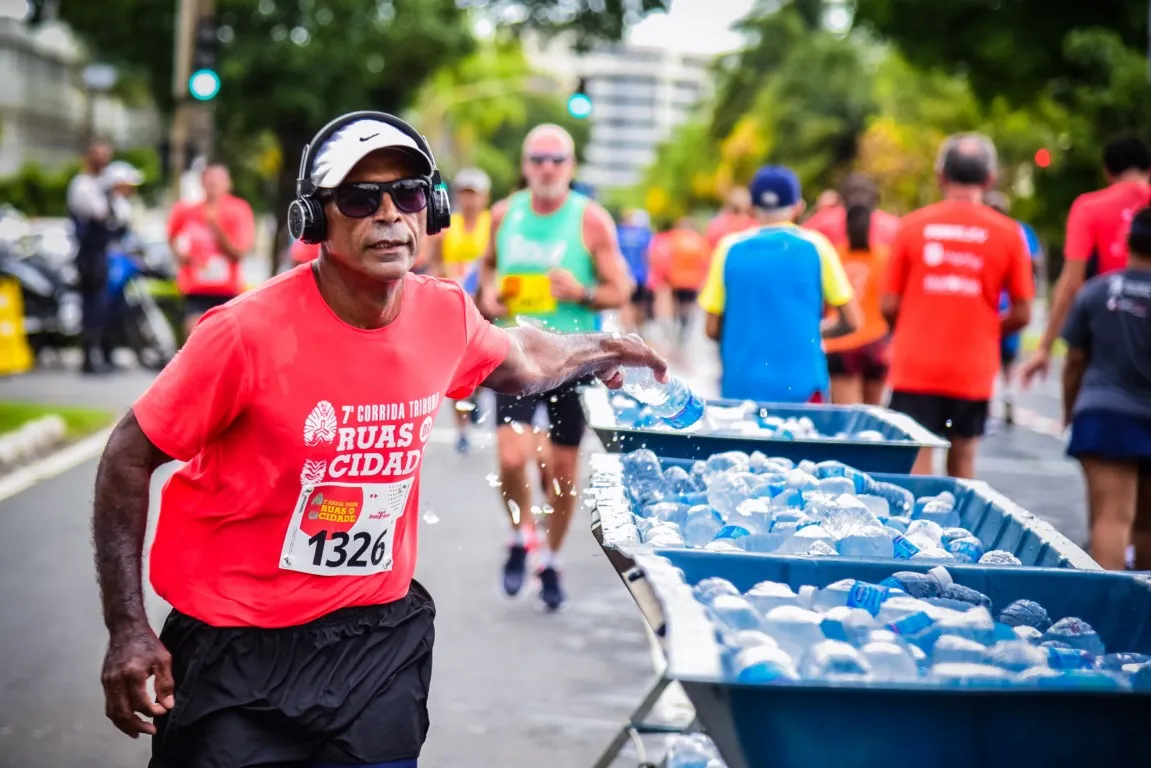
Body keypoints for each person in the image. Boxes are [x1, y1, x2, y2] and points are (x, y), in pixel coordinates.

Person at [91, 110, 665, 765]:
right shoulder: (242, 335)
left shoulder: (441, 312)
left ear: (432, 210)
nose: (390, 213)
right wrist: (127, 626)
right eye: (361, 198)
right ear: (315, 220)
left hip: (375, 643)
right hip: (236, 649)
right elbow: (127, 456)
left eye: (410, 193)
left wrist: (600, 346)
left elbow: (525, 356)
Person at [479, 123, 633, 610]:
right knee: (509, 456)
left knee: (562, 471)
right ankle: (521, 536)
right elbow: (485, 270)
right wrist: (487, 294)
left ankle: (549, 555)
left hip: (572, 358)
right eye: (539, 159)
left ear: (570, 166)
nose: (547, 168)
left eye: (557, 159)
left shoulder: (591, 221)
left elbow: (621, 290)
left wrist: (583, 293)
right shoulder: (504, 214)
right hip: (514, 352)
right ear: (525, 166)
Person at [882, 134, 1034, 478]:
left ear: (941, 176)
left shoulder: (912, 226)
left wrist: (917, 323)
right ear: (990, 179)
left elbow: (889, 304)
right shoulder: (1009, 233)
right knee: (963, 467)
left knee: (915, 466)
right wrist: (985, 328)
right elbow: (1023, 312)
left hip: (915, 366)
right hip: (972, 369)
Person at [698, 165, 862, 402]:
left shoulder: (728, 248)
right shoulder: (817, 246)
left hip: (742, 387)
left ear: (751, 208)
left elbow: (711, 328)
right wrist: (804, 330)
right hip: (804, 388)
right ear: (799, 207)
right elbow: (853, 321)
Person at [1020, 136, 1151, 387]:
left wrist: (1045, 347)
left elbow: (1071, 283)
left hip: (1106, 330)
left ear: (1107, 172)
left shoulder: (1089, 207)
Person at [1061, 207, 1151, 571]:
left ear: (1128, 242)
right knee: (1146, 525)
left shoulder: (1097, 291)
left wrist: (1070, 410)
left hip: (1104, 415)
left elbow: (1074, 362)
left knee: (1111, 520)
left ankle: (1109, 618)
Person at [425, 168, 493, 453]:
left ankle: (477, 396)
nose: (468, 200)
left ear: (484, 198)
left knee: (486, 365)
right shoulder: (446, 227)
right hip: (457, 310)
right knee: (459, 370)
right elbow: (435, 264)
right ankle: (462, 427)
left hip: (487, 308)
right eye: (464, 193)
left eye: (474, 194)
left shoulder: (493, 225)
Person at [819, 176, 895, 405]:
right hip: (877, 343)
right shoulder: (885, 255)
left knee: (846, 426)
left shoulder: (832, 255)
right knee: (872, 423)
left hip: (840, 344)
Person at [167, 162, 256, 337]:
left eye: (217, 181)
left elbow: (239, 253)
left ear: (228, 184)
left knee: (223, 341)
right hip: (195, 288)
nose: (212, 185)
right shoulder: (186, 210)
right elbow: (171, 236)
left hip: (227, 290)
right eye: (209, 181)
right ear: (202, 183)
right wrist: (180, 256)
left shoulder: (238, 209)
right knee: (194, 336)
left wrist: (216, 228)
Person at [984, 190, 1044, 426]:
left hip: (989, 305)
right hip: (1011, 304)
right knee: (1009, 358)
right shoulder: (1020, 232)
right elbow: (1036, 261)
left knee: (989, 356)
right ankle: (1009, 395)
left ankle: (988, 401)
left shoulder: (984, 231)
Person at [66, 138, 115, 374]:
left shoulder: (101, 184)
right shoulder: (83, 185)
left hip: (101, 252)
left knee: (102, 304)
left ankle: (102, 352)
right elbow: (99, 213)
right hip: (89, 254)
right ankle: (88, 356)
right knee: (92, 305)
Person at [647, 216, 711, 346]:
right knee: (688, 305)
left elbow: (665, 257)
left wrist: (664, 275)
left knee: (676, 304)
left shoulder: (673, 239)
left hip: (676, 279)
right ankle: (684, 326)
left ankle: (677, 326)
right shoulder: (699, 240)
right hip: (693, 280)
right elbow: (705, 262)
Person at [617, 209, 654, 335]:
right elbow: (649, 255)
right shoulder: (643, 234)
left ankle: (627, 331)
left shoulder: (619, 234)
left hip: (625, 275)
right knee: (640, 304)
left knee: (626, 303)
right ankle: (639, 330)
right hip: (641, 275)